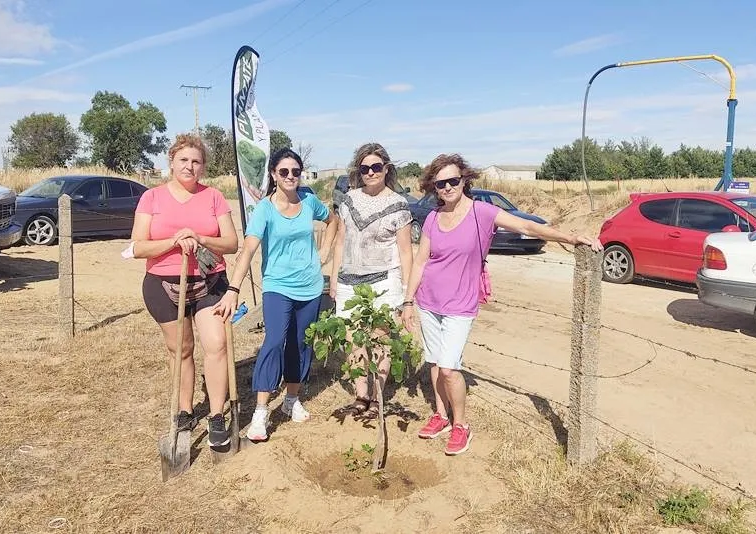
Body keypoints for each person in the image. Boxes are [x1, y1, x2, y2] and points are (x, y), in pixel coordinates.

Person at [401, 153, 602, 456]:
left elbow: (528, 227)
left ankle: (460, 425)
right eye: (440, 184)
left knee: (448, 368)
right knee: (433, 362)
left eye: (453, 181)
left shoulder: (482, 212)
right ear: (433, 187)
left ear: (464, 180)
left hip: (460, 304)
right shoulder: (432, 217)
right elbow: (419, 262)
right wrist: (407, 301)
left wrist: (571, 238)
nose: (447, 188)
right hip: (428, 300)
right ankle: (440, 415)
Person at [214, 148, 337, 442]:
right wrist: (233, 289)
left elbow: (333, 221)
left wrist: (325, 252)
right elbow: (248, 250)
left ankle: (291, 400)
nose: (291, 176)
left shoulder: (309, 201)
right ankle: (260, 411)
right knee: (274, 341)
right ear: (273, 175)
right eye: (284, 172)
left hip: (309, 287)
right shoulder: (265, 210)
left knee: (300, 343)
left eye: (296, 171)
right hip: (277, 287)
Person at [130, 133, 239, 448]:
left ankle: (217, 415)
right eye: (184, 160)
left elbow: (231, 243)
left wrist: (201, 239)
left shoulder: (214, 197)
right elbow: (138, 246)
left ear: (203, 165)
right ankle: (185, 410)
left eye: (196, 161)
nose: (190, 166)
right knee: (182, 349)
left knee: (216, 344)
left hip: (209, 279)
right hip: (163, 284)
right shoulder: (152, 198)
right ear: (171, 162)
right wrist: (175, 241)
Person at [330, 142, 413, 418]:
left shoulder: (398, 204)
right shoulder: (349, 199)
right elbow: (340, 241)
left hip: (383, 282)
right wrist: (333, 278)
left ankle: (378, 396)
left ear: (386, 169)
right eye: (365, 168)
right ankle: (361, 394)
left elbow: (405, 251)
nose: (370, 172)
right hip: (349, 281)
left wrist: (406, 293)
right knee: (353, 340)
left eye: (376, 167)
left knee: (380, 339)